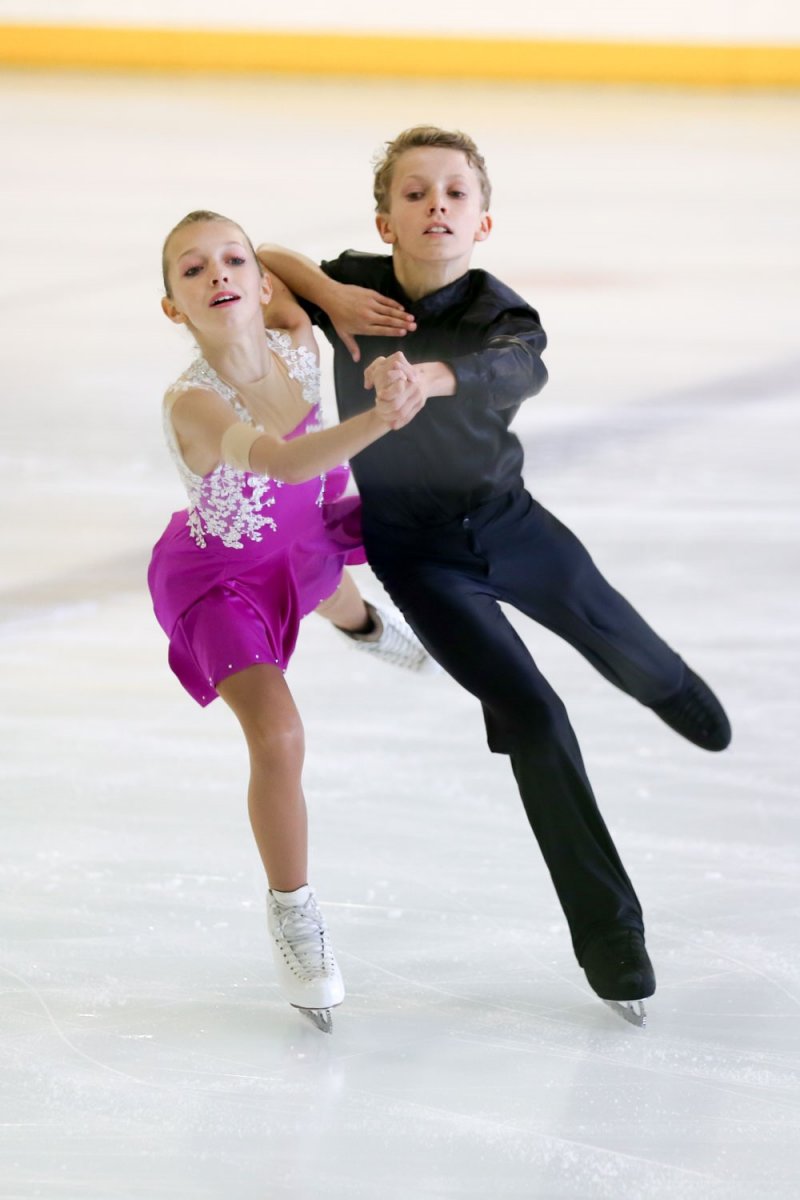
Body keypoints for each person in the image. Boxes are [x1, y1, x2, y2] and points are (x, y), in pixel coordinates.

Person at [257, 126, 732, 1026]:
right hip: (418, 556)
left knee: (618, 642)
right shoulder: (355, 286)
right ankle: (612, 937)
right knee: (535, 715)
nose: (436, 203)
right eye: (414, 193)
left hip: (514, 527)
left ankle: (668, 685)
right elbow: (258, 253)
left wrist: (429, 378)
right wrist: (326, 296)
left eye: (455, 193)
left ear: (482, 221)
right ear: (385, 220)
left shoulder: (503, 313)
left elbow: (521, 366)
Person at [148, 210, 431, 1032]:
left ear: (263, 287)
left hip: (304, 525)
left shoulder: (296, 332)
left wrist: (333, 293)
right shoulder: (193, 404)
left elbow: (270, 254)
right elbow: (278, 461)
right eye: (191, 272)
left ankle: (367, 628)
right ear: (174, 308)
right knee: (278, 737)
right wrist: (381, 417)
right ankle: (293, 911)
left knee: (329, 584)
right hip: (224, 572)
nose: (218, 275)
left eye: (229, 262)